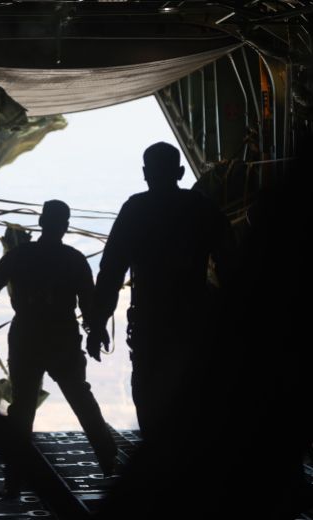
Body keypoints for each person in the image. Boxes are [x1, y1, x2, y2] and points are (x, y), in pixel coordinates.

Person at [0, 200, 117, 494]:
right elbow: (90, 303)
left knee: (22, 407)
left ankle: (16, 476)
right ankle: (108, 458)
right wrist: (96, 333)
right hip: (62, 335)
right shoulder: (74, 259)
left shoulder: (20, 256)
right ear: (65, 226)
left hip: (26, 335)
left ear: (42, 222)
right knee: (80, 397)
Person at [87, 142, 231, 443]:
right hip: (194, 321)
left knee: (149, 398)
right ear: (179, 171)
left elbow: (111, 271)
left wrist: (98, 323)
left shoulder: (135, 210)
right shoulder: (202, 207)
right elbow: (231, 264)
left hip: (150, 322)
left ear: (145, 174)